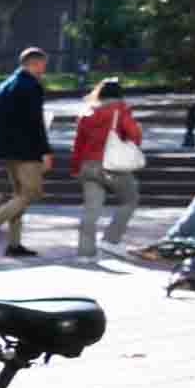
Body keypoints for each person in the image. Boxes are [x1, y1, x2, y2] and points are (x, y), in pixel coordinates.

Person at [0, 48, 50, 259]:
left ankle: (14, 245)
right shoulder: (32, 85)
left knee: (19, 196)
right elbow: (36, 123)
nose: (44, 69)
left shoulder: (5, 85)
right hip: (28, 150)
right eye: (43, 64)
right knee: (31, 193)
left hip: (8, 150)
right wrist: (46, 151)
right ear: (35, 63)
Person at [69, 79, 144, 262]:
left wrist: (76, 168)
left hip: (88, 165)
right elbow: (134, 135)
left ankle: (85, 253)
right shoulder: (120, 110)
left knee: (91, 210)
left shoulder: (87, 113)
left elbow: (78, 144)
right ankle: (111, 239)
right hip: (112, 165)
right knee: (130, 200)